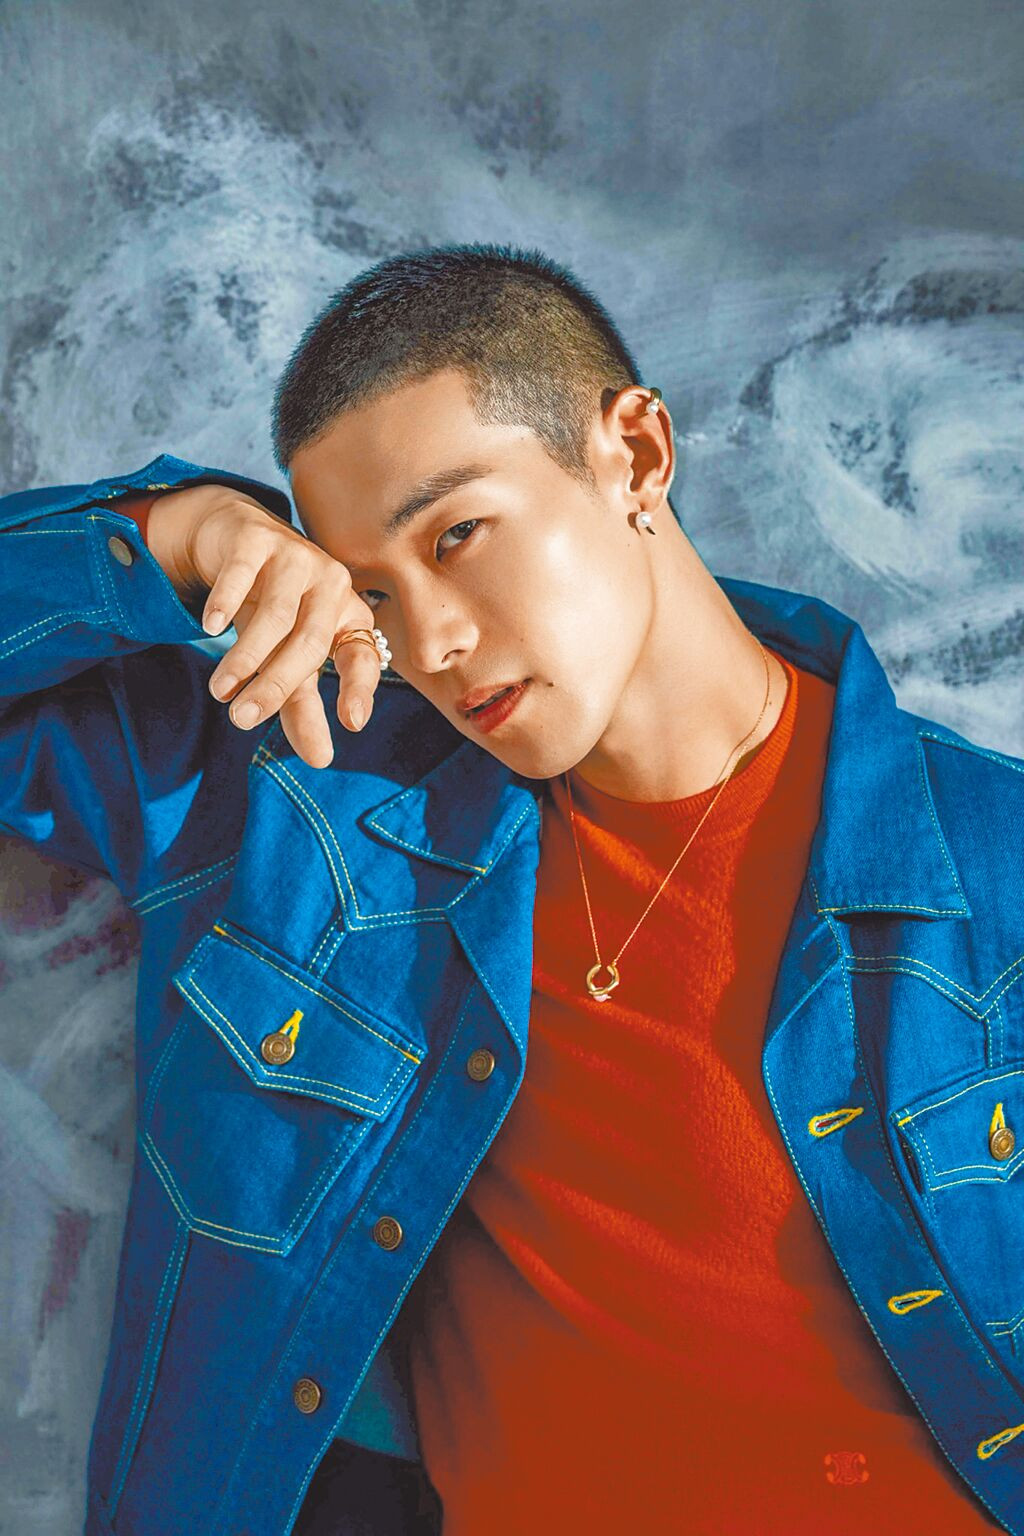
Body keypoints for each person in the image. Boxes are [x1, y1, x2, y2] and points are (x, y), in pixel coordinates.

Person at [0, 243, 1020, 1536]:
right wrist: (181, 535)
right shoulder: (306, 798)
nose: (429, 641)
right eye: (374, 591)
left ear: (636, 454)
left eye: (459, 534)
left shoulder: (994, 859)